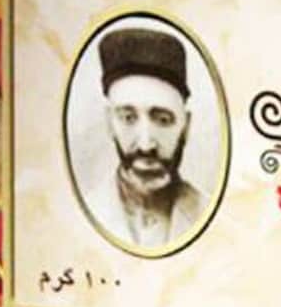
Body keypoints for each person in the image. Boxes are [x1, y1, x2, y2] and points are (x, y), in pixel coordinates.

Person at [85, 24, 208, 249]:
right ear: (109, 123)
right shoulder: (80, 216)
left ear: (186, 126)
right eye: (128, 118)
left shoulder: (215, 219)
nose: (145, 145)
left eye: (163, 120)